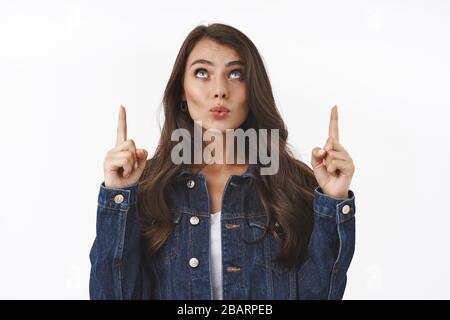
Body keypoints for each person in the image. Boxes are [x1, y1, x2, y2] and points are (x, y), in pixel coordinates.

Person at [89, 23, 356, 300]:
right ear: (181, 90)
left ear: (253, 89)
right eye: (202, 73)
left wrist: (333, 200)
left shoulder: (292, 184)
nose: (219, 90)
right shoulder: (146, 188)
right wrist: (118, 197)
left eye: (235, 74)